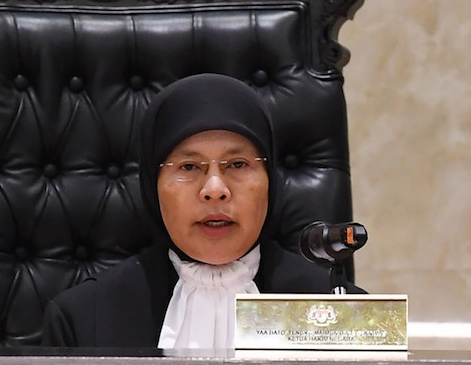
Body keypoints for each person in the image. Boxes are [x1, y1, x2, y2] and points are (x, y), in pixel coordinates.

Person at [41, 73, 364, 349]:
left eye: (238, 164)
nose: (215, 189)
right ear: (152, 185)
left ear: (271, 180)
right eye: (189, 166)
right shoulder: (82, 320)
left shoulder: (344, 313)